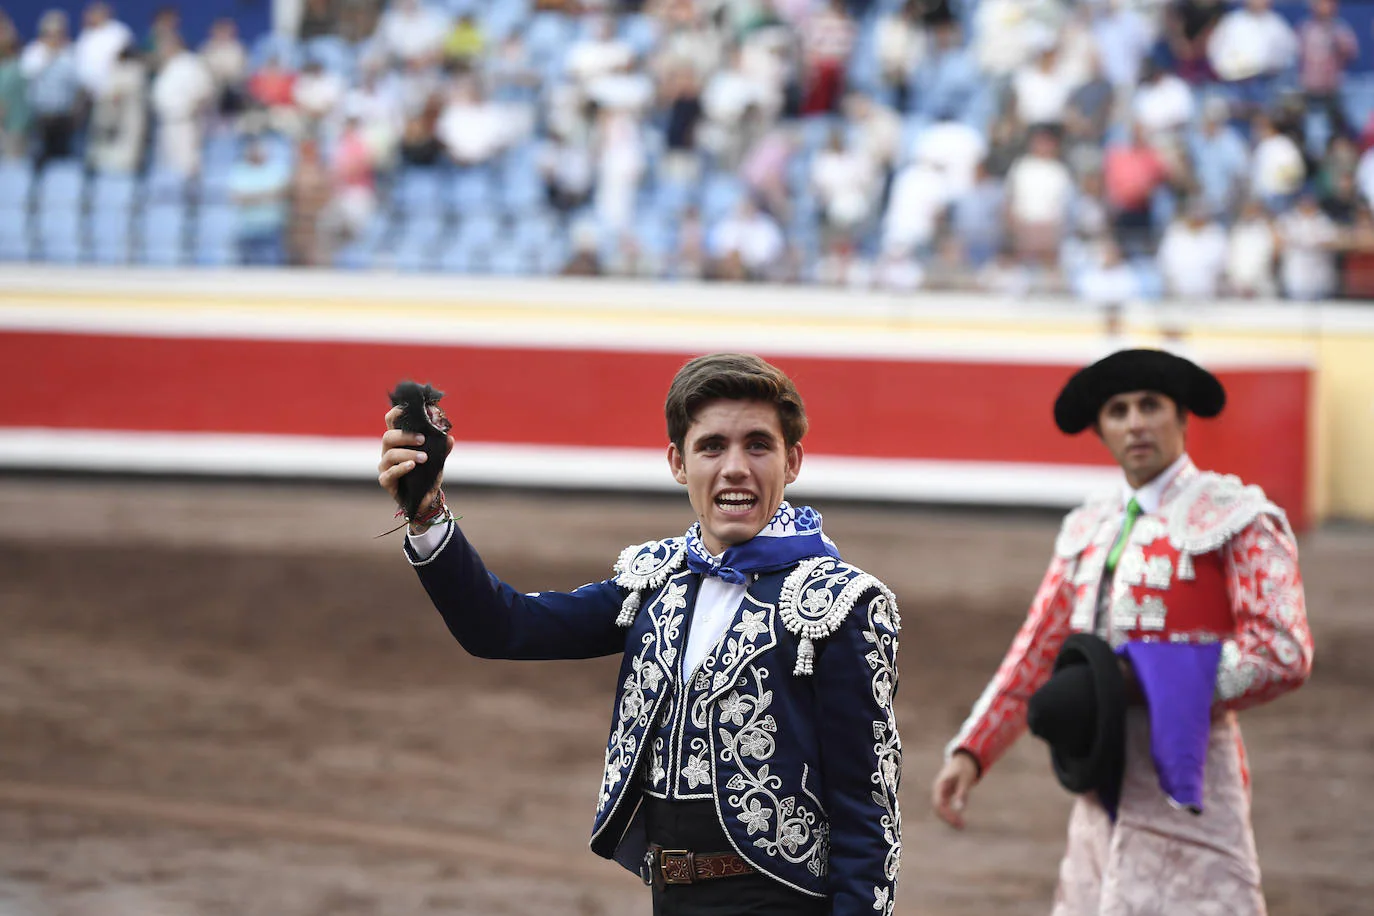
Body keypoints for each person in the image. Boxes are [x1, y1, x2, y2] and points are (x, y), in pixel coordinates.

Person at [377, 353, 903, 915]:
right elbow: (502, 627)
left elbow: (867, 812)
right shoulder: (654, 584)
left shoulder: (842, 604)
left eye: (757, 445)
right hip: (670, 898)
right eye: (711, 447)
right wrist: (428, 513)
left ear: (791, 460)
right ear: (678, 462)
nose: (734, 468)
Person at [930, 348, 1313, 914]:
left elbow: (1283, 650)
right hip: (1099, 773)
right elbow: (1036, 652)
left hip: (1189, 772)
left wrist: (1143, 681)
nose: (1135, 422)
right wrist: (972, 751)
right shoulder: (1089, 525)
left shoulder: (1237, 516)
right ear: (1100, 431)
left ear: (1182, 418)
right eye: (1117, 411)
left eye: (1150, 406)